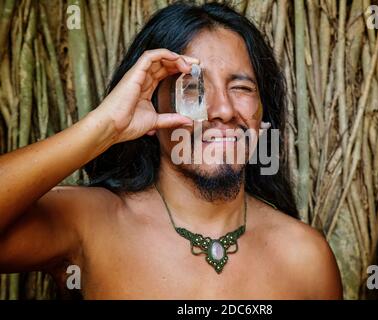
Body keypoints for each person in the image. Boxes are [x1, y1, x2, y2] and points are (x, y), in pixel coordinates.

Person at [0, 2, 342, 299]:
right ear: (150, 105)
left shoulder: (306, 258)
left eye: (241, 87)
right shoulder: (90, 224)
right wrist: (106, 127)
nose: (222, 109)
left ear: (263, 110)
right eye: (194, 88)